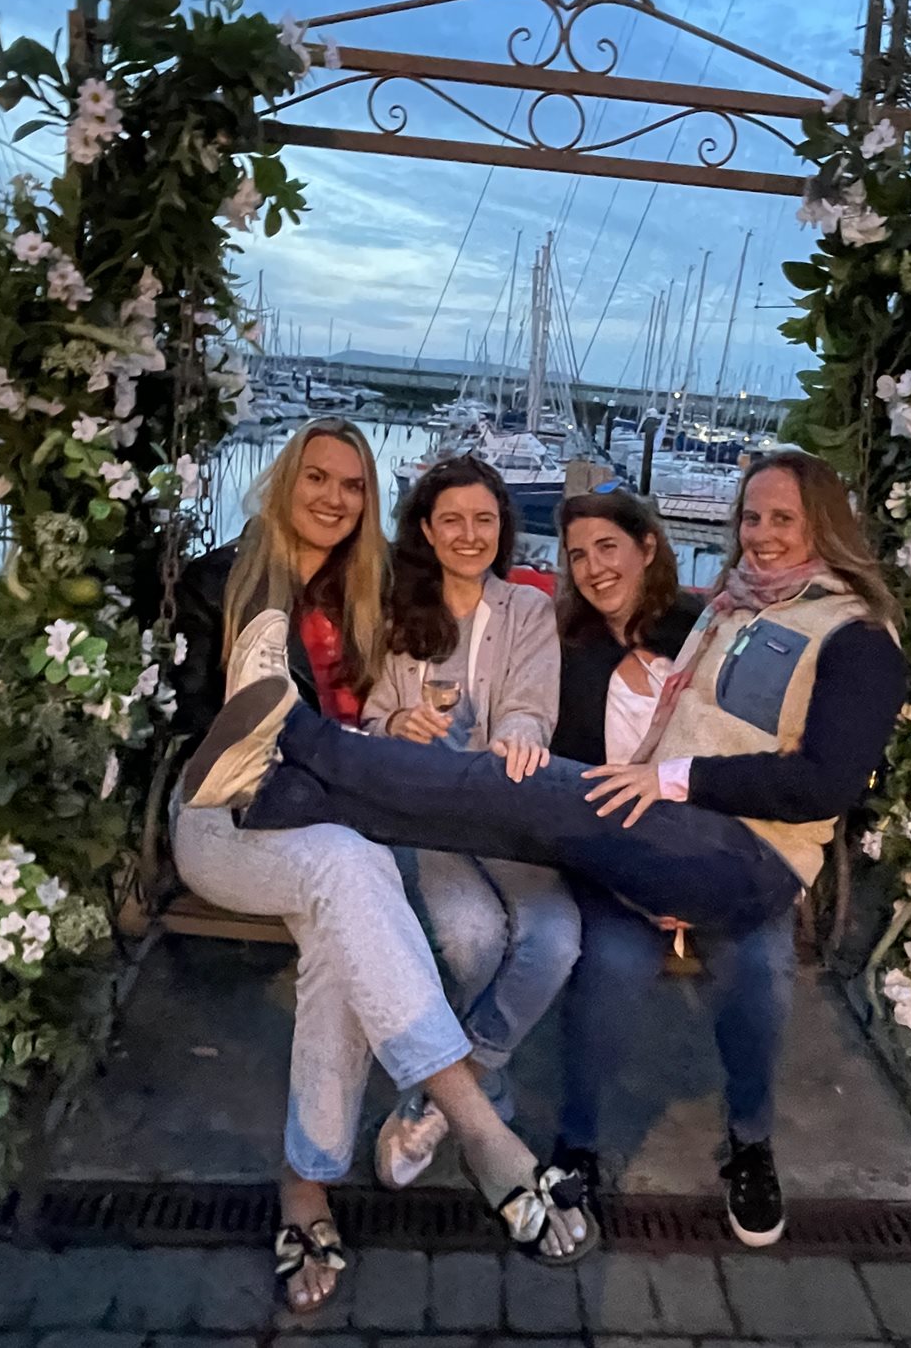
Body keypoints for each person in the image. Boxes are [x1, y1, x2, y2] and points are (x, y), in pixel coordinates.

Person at [182, 446, 907, 999]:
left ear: (823, 524)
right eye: (751, 518)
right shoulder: (735, 611)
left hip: (743, 858)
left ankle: (289, 738)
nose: (761, 534)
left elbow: (824, 785)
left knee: (527, 796)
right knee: (507, 826)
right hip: (683, 833)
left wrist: (670, 778)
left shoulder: (853, 632)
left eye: (783, 519)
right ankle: (283, 789)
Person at [167, 420, 594, 1311]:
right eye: (316, 477)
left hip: (340, 827)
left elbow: (400, 710)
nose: (333, 497)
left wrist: (390, 735)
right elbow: (209, 729)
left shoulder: (369, 592)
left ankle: (306, 1186)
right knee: (352, 873)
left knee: (346, 913)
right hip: (228, 816)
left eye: (352, 484)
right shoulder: (222, 582)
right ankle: (480, 1128)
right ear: (285, 480)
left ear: (368, 502)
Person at [545, 489, 798, 1248]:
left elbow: (761, 750)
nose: (594, 568)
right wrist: (632, 879)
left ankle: (750, 1141)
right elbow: (566, 786)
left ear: (647, 547)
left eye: (608, 547)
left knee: (761, 970)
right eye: (578, 555)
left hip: (724, 854)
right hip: (616, 862)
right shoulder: (568, 651)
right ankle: (577, 1142)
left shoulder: (711, 631)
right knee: (612, 965)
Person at [361, 456, 577, 1190]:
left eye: (484, 519)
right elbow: (372, 718)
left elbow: (532, 707)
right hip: (427, 815)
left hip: (505, 810)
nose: (469, 534)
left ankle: (448, 1093)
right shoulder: (397, 611)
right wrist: (399, 721)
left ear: (502, 528)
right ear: (426, 529)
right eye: (451, 519)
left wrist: (518, 735)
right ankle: (486, 1103)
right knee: (472, 937)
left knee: (555, 939)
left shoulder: (527, 611)